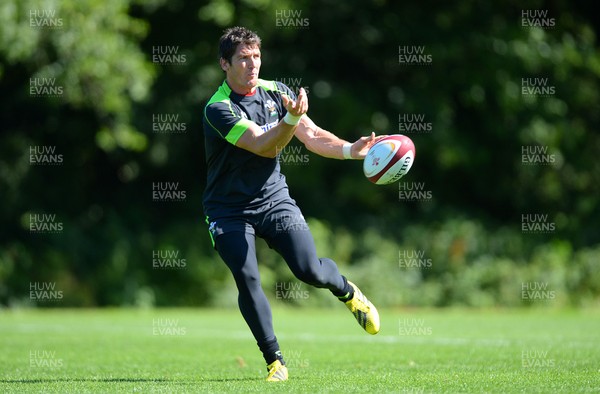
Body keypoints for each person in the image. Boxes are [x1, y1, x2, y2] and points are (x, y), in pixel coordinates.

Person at [202, 26, 383, 382]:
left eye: (256, 56)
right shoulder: (217, 108)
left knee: (309, 270)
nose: (252, 64)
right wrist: (290, 119)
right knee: (248, 276)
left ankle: (348, 292)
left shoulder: (276, 92)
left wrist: (351, 150)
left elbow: (312, 135)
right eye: (242, 58)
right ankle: (275, 362)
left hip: (274, 200)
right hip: (227, 209)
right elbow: (262, 145)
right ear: (225, 63)